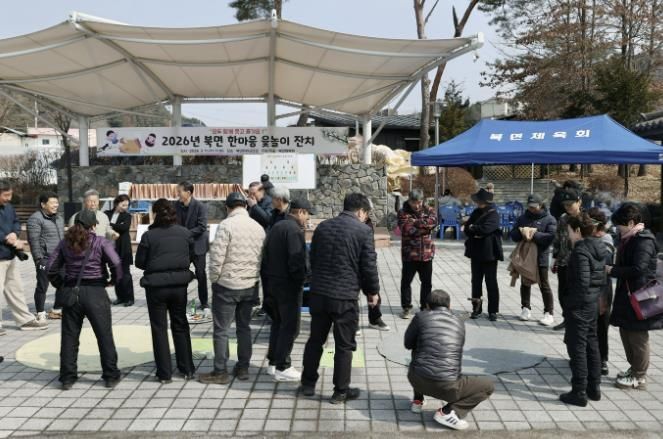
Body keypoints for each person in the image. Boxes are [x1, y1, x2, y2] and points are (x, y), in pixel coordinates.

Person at [300, 193, 380, 404]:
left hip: (319, 294)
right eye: (366, 214)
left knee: (315, 340)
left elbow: (312, 258)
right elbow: (368, 266)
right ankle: (340, 391)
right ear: (361, 211)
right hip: (344, 297)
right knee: (344, 345)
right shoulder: (363, 231)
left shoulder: (323, 227)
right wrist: (372, 292)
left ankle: (307, 384)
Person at [47, 209, 122, 390]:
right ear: (93, 225)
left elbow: (50, 267)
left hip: (72, 292)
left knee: (69, 337)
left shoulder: (65, 243)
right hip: (96, 292)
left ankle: (67, 378)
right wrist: (113, 281)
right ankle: (110, 376)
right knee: (104, 335)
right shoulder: (101, 242)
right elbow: (116, 263)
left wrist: (61, 285)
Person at [199, 193, 265, 385]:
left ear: (227, 207)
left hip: (227, 285)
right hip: (250, 285)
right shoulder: (258, 227)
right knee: (244, 328)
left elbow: (216, 258)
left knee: (221, 329)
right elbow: (261, 257)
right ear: (246, 206)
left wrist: (214, 280)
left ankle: (220, 371)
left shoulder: (226, 225)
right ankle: (243, 367)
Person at [405, 289, 494, 430]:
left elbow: (408, 344)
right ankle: (449, 411)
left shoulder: (420, 317)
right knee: (488, 386)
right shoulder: (459, 322)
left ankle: (418, 400)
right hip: (448, 388)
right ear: (449, 306)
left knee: (420, 349)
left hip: (417, 379)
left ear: (427, 306)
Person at [135, 199, 196, 384]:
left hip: (156, 287)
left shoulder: (149, 236)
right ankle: (187, 368)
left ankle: (164, 373)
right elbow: (191, 256)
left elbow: (140, 262)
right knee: (180, 325)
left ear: (155, 214)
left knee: (159, 329)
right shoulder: (185, 233)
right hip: (179, 285)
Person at [607, 203, 662, 390]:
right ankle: (634, 369)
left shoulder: (643, 240)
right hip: (629, 296)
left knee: (637, 337)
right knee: (626, 332)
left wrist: (612, 270)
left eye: (620, 225)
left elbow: (639, 269)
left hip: (641, 298)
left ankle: (639, 376)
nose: (617, 229)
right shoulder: (630, 238)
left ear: (631, 223)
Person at [262, 199, 313, 382]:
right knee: (290, 327)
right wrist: (304, 280)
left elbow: (265, 256)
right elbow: (296, 261)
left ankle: (273, 362)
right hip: (288, 286)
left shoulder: (277, 226)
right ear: (300, 212)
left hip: (272, 283)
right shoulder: (294, 230)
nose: (307, 220)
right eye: (307, 215)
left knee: (278, 323)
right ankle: (283, 366)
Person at [559, 214, 606, 407]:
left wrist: (570, 304)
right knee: (591, 344)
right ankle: (594, 388)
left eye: (569, 231)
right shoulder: (599, 247)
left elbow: (582, 283)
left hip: (580, 306)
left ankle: (579, 392)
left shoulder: (581, 251)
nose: (569, 235)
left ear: (577, 231)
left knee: (577, 348)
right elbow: (600, 279)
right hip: (592, 303)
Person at [0, 181, 48, 334]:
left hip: (10, 255)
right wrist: (5, 238)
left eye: (10, 194)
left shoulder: (9, 207)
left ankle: (24, 320)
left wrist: (15, 234)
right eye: (6, 195)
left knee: (16, 289)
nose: (9, 198)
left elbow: (16, 221)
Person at [509, 194, 557, 326]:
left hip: (541, 256)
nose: (531, 209)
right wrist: (521, 232)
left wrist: (534, 234)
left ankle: (549, 312)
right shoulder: (523, 218)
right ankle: (525, 308)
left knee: (544, 284)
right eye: (529, 206)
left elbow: (550, 237)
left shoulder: (549, 219)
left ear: (541, 205)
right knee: (525, 283)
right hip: (525, 256)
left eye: (534, 207)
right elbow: (513, 235)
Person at [464, 188, 503, 321]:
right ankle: (476, 308)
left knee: (491, 282)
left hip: (489, 253)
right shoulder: (476, 212)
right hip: (476, 252)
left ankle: (493, 310)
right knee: (476, 282)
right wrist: (474, 229)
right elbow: (466, 228)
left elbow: (486, 229)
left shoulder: (493, 214)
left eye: (479, 201)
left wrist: (474, 228)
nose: (477, 203)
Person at [398, 189, 437, 319]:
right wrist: (426, 228)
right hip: (410, 254)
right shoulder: (403, 212)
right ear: (409, 201)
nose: (417, 205)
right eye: (414, 202)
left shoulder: (429, 210)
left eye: (419, 202)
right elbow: (407, 230)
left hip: (426, 254)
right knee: (406, 282)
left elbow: (434, 222)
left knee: (426, 283)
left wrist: (415, 223)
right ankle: (406, 307)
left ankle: (424, 307)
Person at [27, 192, 65, 321]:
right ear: (43, 204)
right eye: (52, 202)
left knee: (65, 283)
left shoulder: (59, 218)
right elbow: (34, 241)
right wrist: (39, 260)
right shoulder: (35, 219)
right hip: (45, 259)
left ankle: (56, 310)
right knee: (42, 286)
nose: (56, 205)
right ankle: (40, 313)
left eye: (57, 202)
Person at [174, 181, 210, 317]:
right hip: (183, 246)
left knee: (201, 274)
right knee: (180, 274)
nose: (177, 194)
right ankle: (179, 301)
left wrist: (185, 234)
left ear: (188, 193)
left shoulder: (200, 206)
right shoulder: (176, 205)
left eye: (179, 191)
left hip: (198, 245)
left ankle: (204, 302)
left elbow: (202, 227)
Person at [588, 207, 615, 376]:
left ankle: (602, 359)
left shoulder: (606, 239)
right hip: (588, 287)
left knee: (601, 324)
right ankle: (587, 356)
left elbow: (604, 262)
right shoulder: (587, 238)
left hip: (602, 289)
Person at [552, 188, 584, 331]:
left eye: (570, 204)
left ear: (579, 202)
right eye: (565, 205)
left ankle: (576, 321)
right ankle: (567, 319)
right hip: (564, 262)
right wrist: (554, 257)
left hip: (580, 264)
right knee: (563, 293)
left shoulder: (587, 219)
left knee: (576, 294)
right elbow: (558, 239)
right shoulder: (563, 218)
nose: (568, 207)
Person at [105, 195, 135, 306]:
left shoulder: (127, 216)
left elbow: (124, 227)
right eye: (123, 205)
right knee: (115, 273)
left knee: (125, 274)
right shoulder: (107, 214)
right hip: (111, 248)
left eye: (127, 205)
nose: (125, 207)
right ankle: (120, 297)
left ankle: (129, 298)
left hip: (123, 249)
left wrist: (110, 225)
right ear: (116, 203)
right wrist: (115, 226)